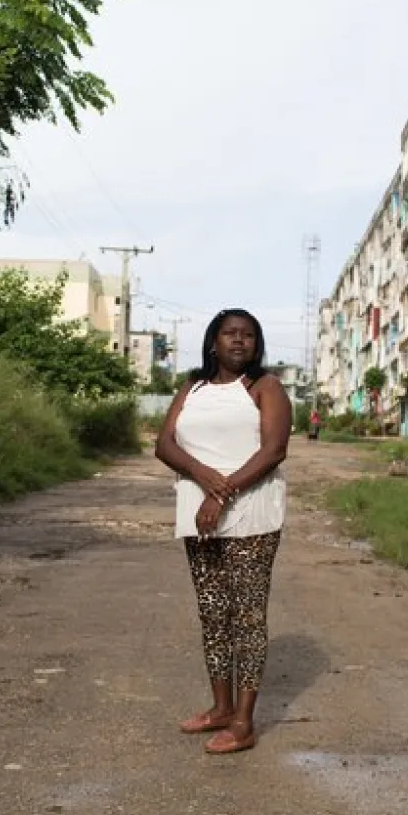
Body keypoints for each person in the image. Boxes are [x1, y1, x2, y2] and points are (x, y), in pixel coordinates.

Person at [154, 309, 291, 754]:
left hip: (251, 515)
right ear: (213, 342)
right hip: (199, 516)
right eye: (230, 334)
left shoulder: (264, 388)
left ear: (257, 344)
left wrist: (222, 493)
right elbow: (164, 444)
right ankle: (220, 709)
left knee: (247, 616)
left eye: (249, 335)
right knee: (213, 612)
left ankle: (245, 723)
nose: (239, 341)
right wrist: (202, 476)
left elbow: (274, 451)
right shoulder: (191, 389)